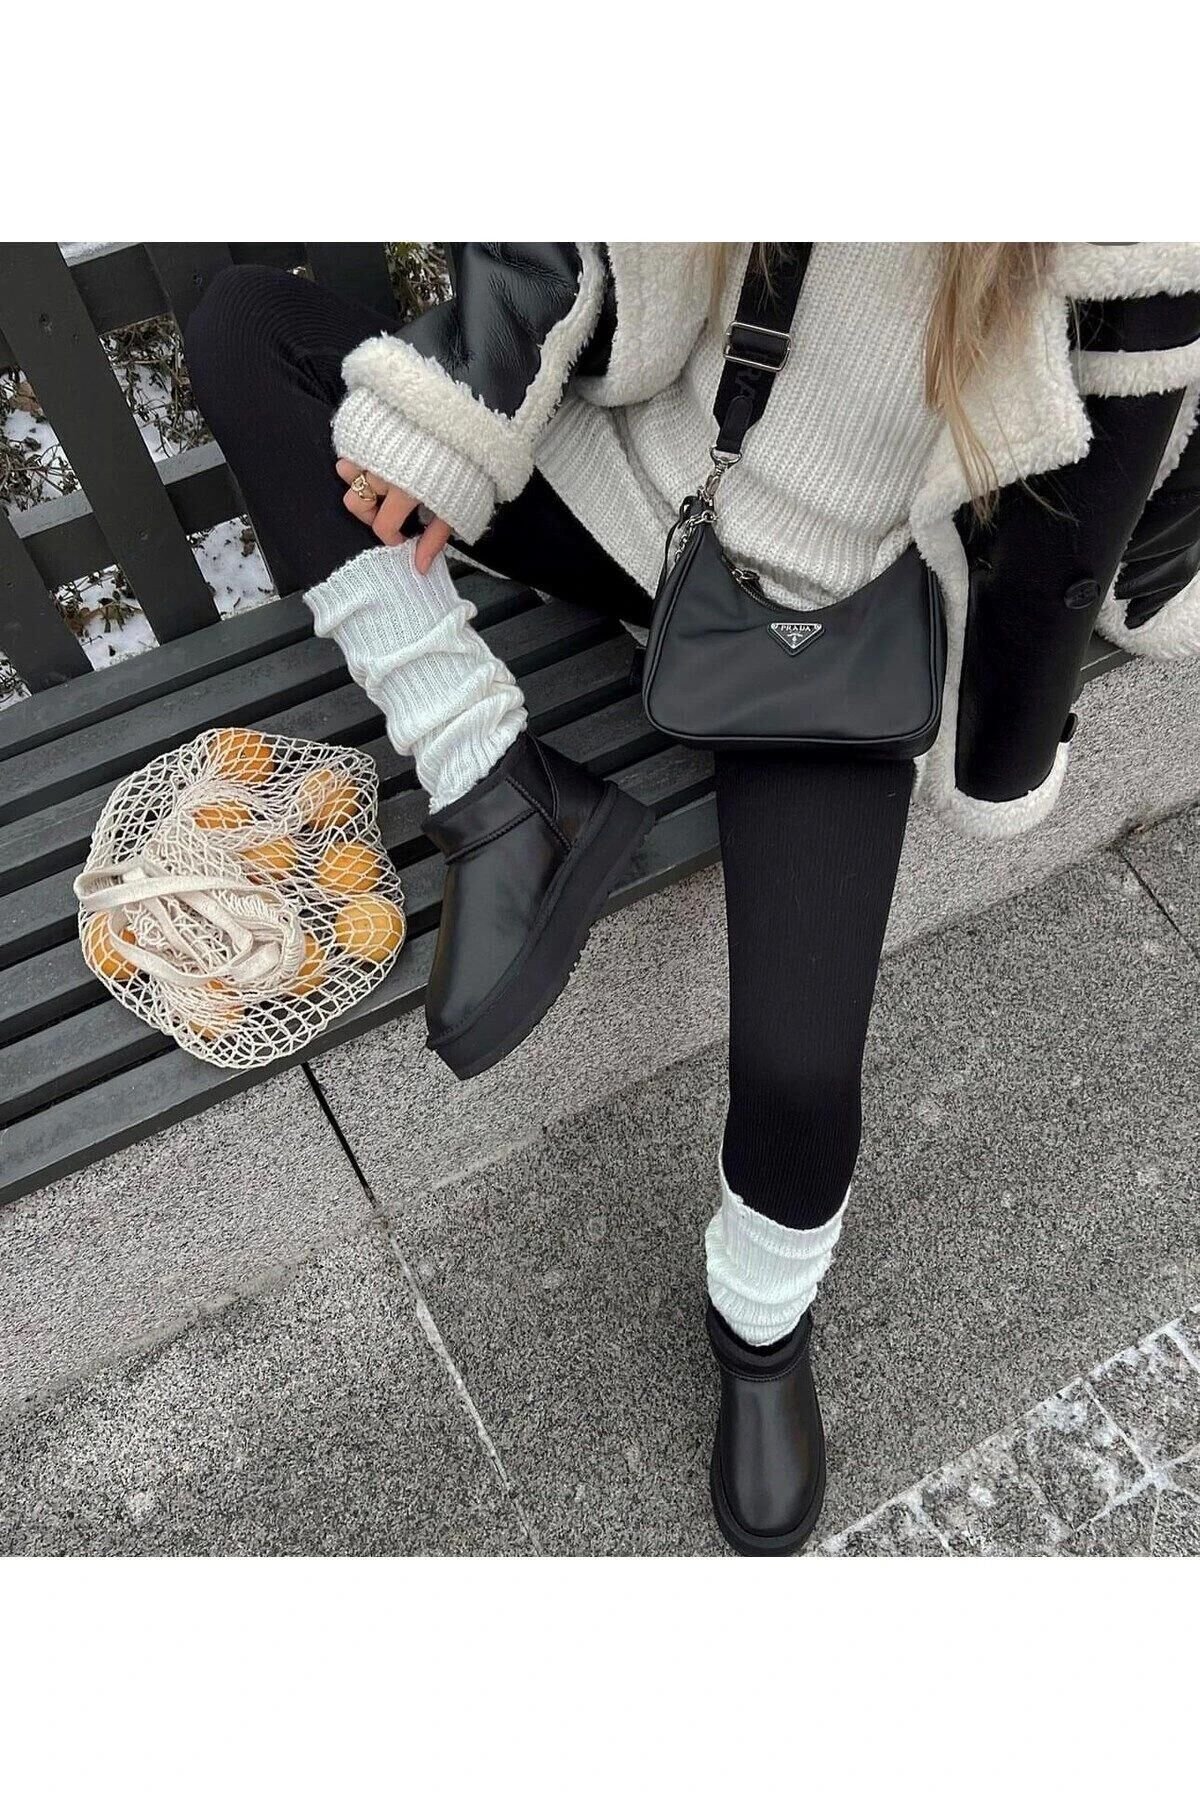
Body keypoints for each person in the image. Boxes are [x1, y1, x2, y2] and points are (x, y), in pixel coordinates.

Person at [185, 243, 1200, 1555]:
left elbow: (1107, 497)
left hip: (847, 612)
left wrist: (1006, 732)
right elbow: (575, 254)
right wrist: (448, 428)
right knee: (248, 329)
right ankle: (491, 776)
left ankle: (759, 1332)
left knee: (798, 1077)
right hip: (643, 486)